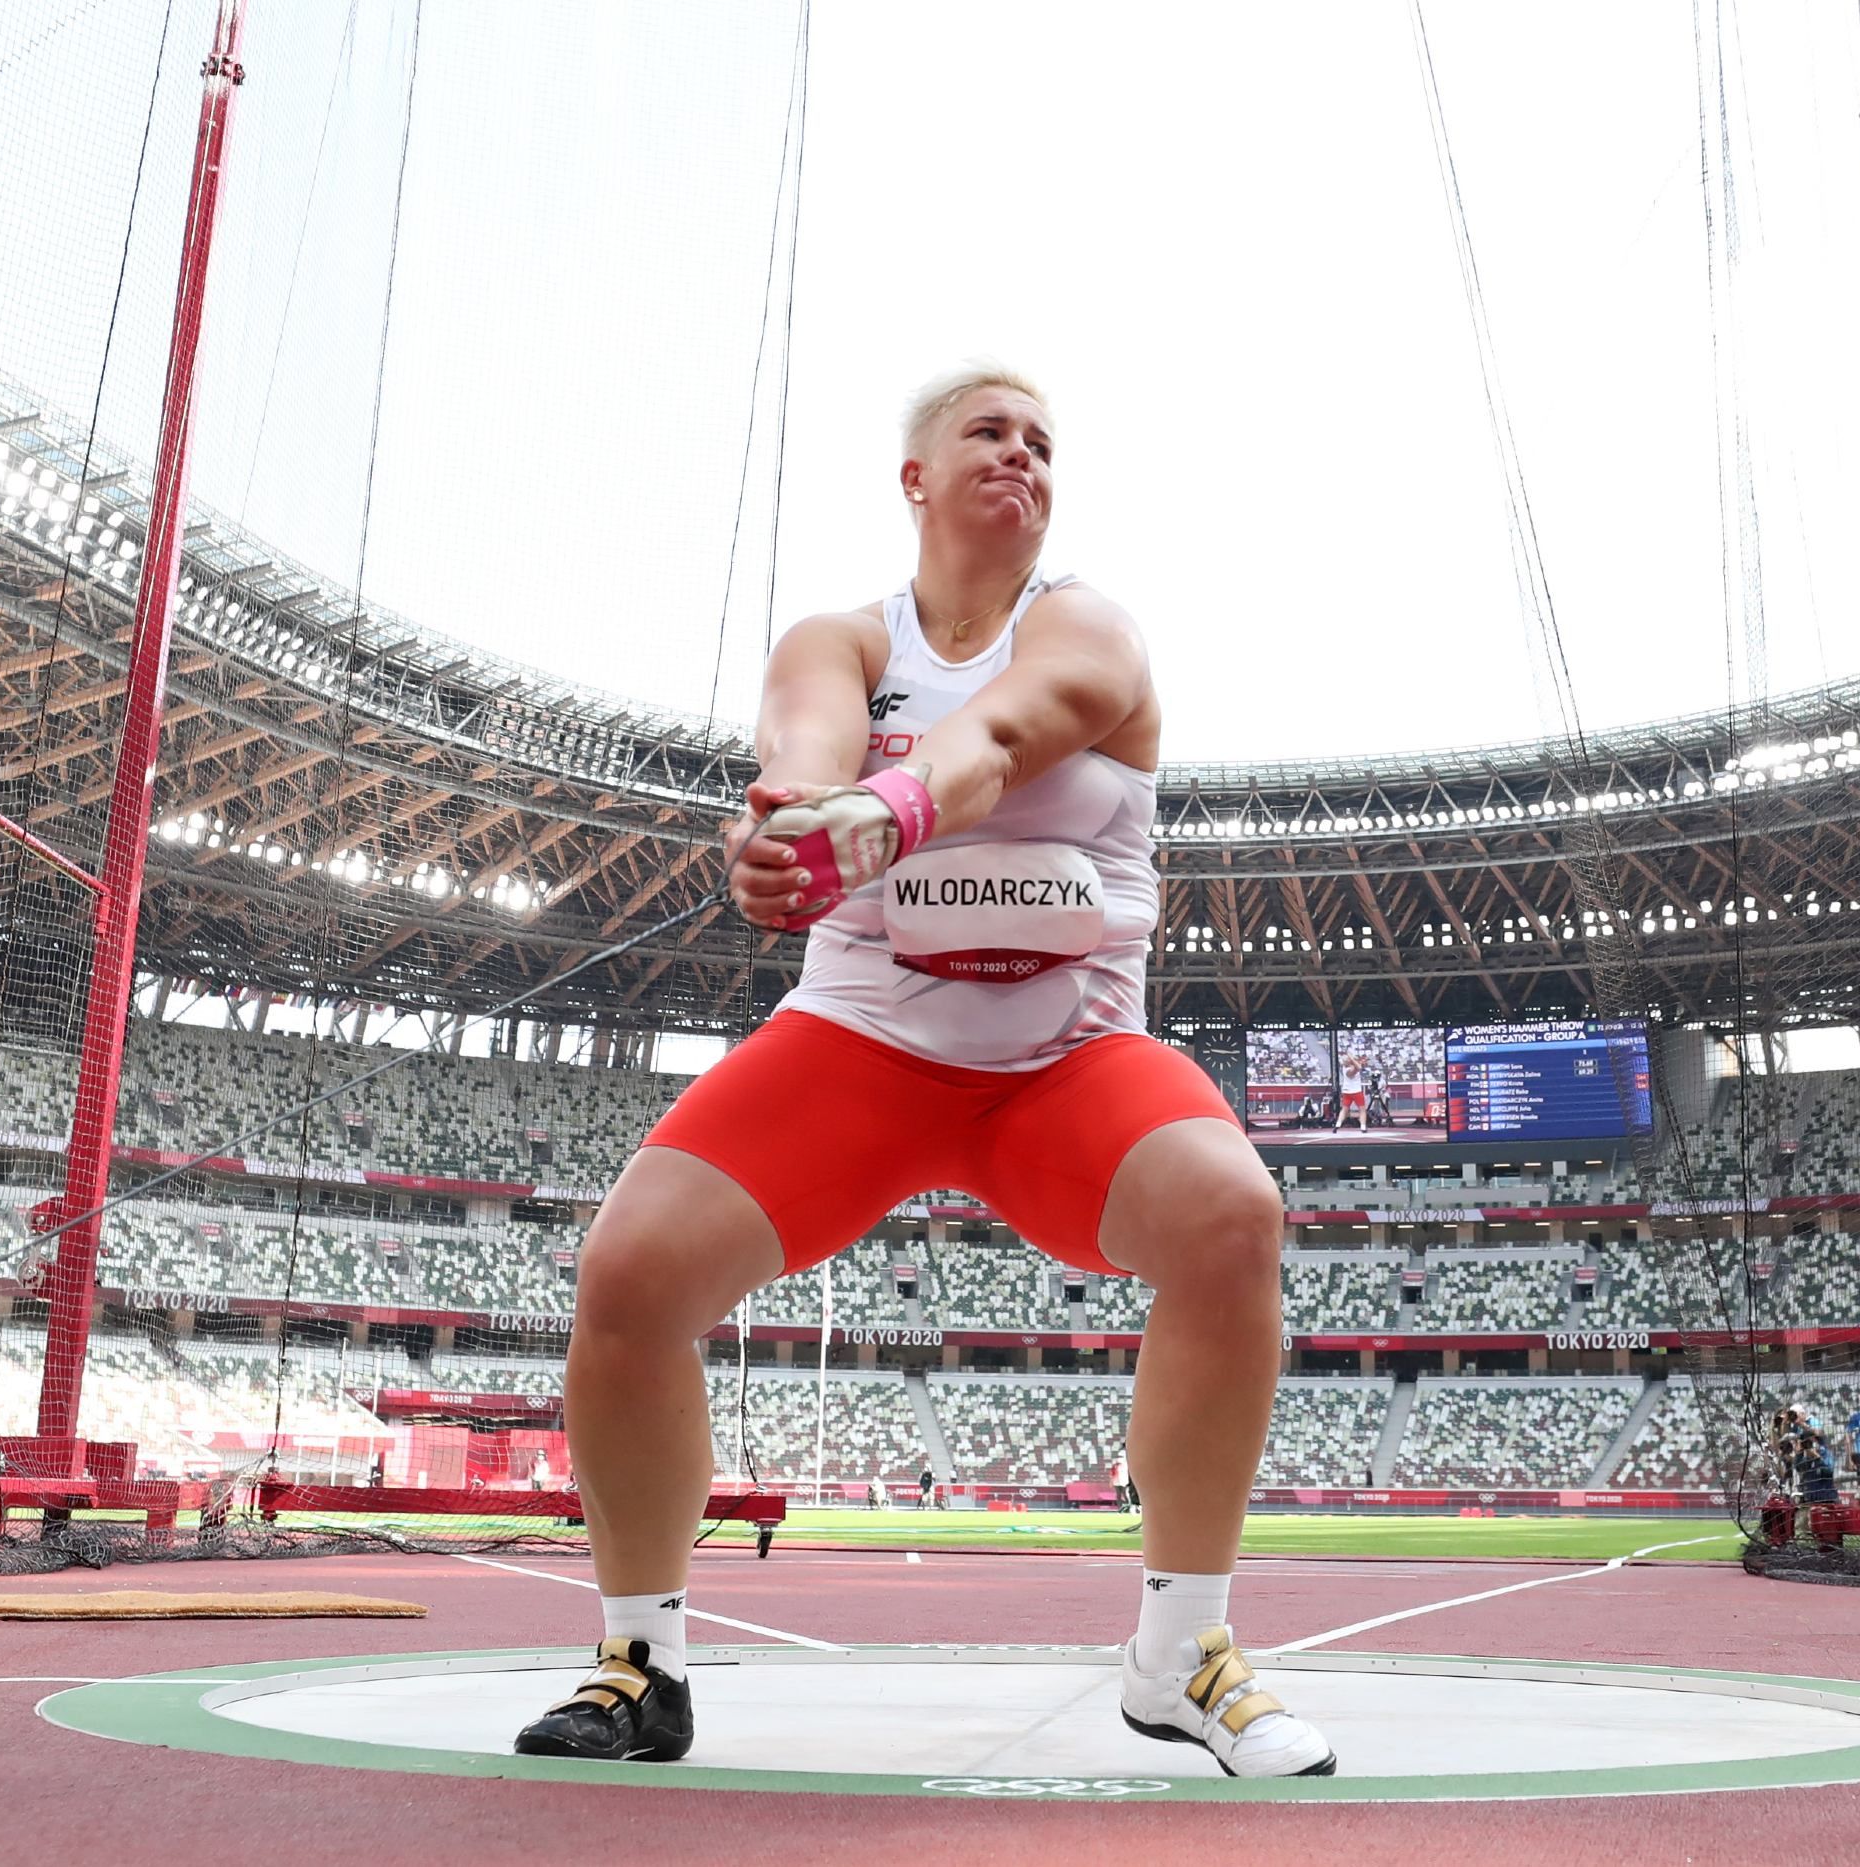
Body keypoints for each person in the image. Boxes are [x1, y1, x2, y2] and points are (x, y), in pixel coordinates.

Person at [512, 364, 1331, 1778]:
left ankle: (1181, 1650)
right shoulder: (841, 635)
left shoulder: (1086, 625)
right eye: (987, 432)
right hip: (861, 1044)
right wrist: (789, 823)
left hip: (1067, 1062)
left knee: (1230, 1211)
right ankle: (639, 1663)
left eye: (1041, 441)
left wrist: (882, 813)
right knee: (632, 1271)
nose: (1021, 453)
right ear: (916, 479)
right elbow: (807, 743)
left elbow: (1010, 730)